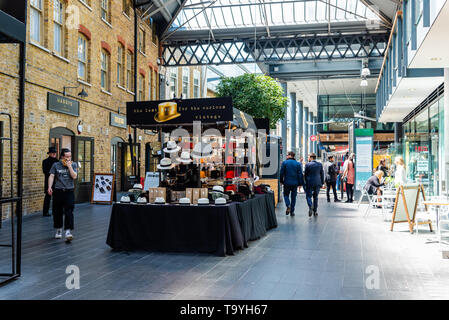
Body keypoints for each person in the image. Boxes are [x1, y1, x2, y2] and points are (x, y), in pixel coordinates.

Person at [48, 148, 78, 242]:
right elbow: (52, 176)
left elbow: (74, 176)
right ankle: (59, 230)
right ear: (62, 157)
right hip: (58, 191)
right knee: (57, 211)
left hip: (69, 191)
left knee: (69, 211)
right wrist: (49, 187)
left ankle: (68, 231)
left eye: (70, 156)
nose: (68, 158)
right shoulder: (56, 165)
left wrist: (69, 167)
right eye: (67, 157)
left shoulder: (73, 164)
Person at [280, 151, 304, 216]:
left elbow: (281, 173)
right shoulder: (297, 164)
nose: (286, 156)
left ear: (290, 155)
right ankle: (292, 212)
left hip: (287, 182)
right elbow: (300, 174)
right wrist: (300, 183)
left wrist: (281, 181)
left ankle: (288, 205)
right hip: (295, 183)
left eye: (287, 155)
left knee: (285, 195)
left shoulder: (284, 163)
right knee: (293, 197)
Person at [304, 153, 324, 217]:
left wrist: (305, 182)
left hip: (310, 182)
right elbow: (322, 174)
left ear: (311, 157)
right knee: (315, 197)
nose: (308, 158)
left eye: (308, 157)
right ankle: (315, 211)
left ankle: (310, 205)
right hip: (318, 182)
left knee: (308, 196)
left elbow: (305, 174)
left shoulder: (308, 165)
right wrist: (322, 183)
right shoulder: (320, 165)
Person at [42, 147, 58, 217]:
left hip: (57, 181)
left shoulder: (58, 161)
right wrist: (52, 173)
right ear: (49, 154)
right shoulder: (45, 161)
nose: (54, 154)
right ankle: (45, 212)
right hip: (48, 181)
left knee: (56, 197)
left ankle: (55, 211)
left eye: (55, 153)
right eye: (53, 153)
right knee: (48, 197)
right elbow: (45, 171)